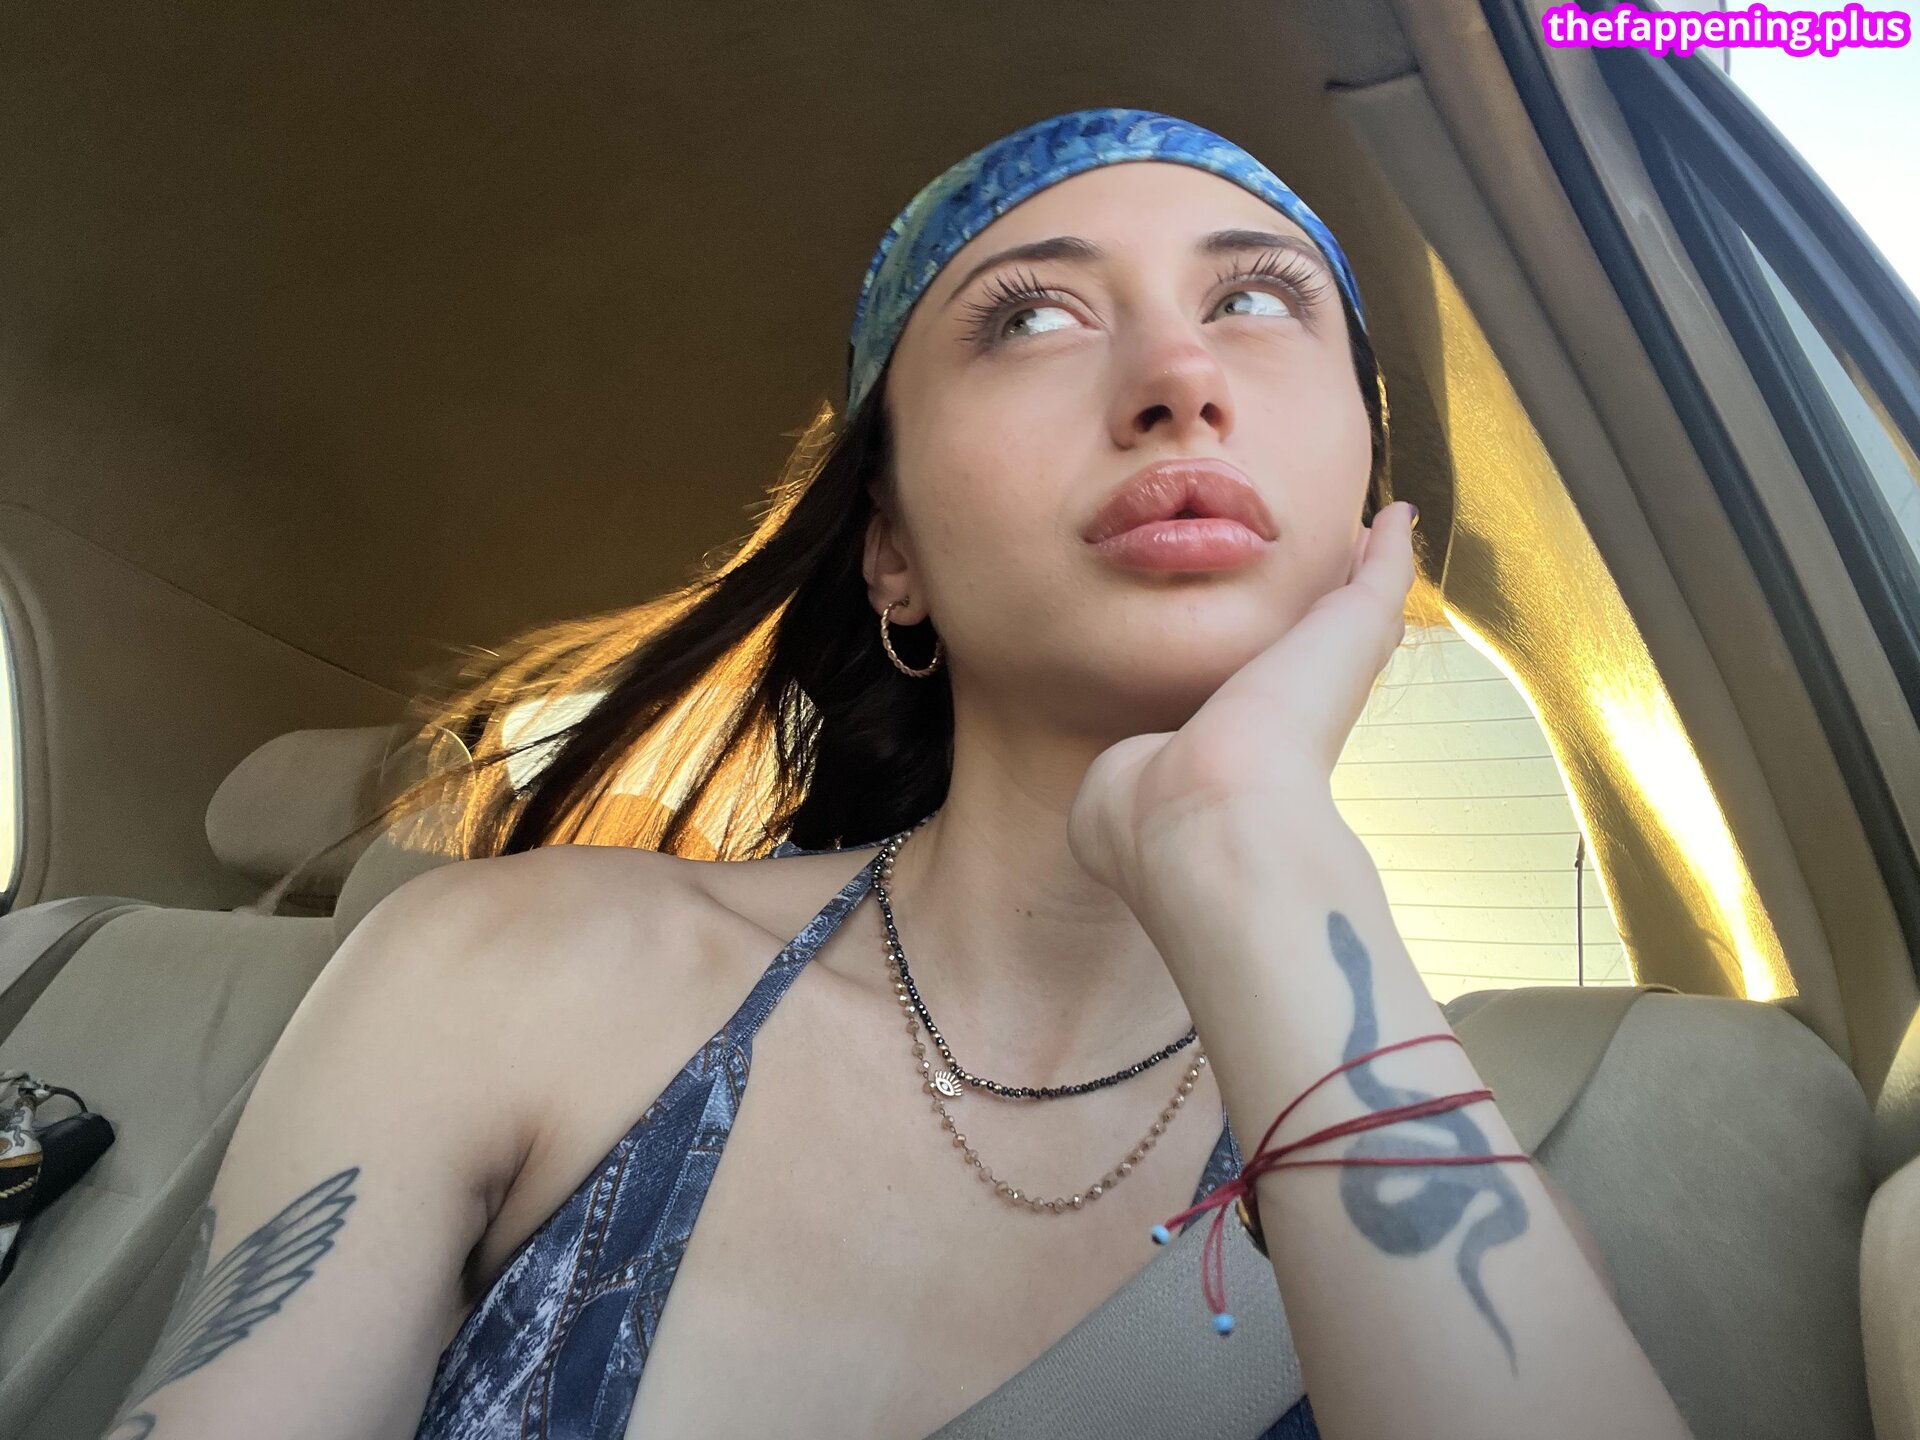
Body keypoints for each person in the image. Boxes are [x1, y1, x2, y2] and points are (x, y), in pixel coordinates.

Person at [102, 109, 1691, 1440]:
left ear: (1364, 521)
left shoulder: (1474, 1138)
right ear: (894, 554)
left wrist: (1245, 845)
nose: (1175, 378)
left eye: (1260, 300)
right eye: (1033, 316)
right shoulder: (507, 969)